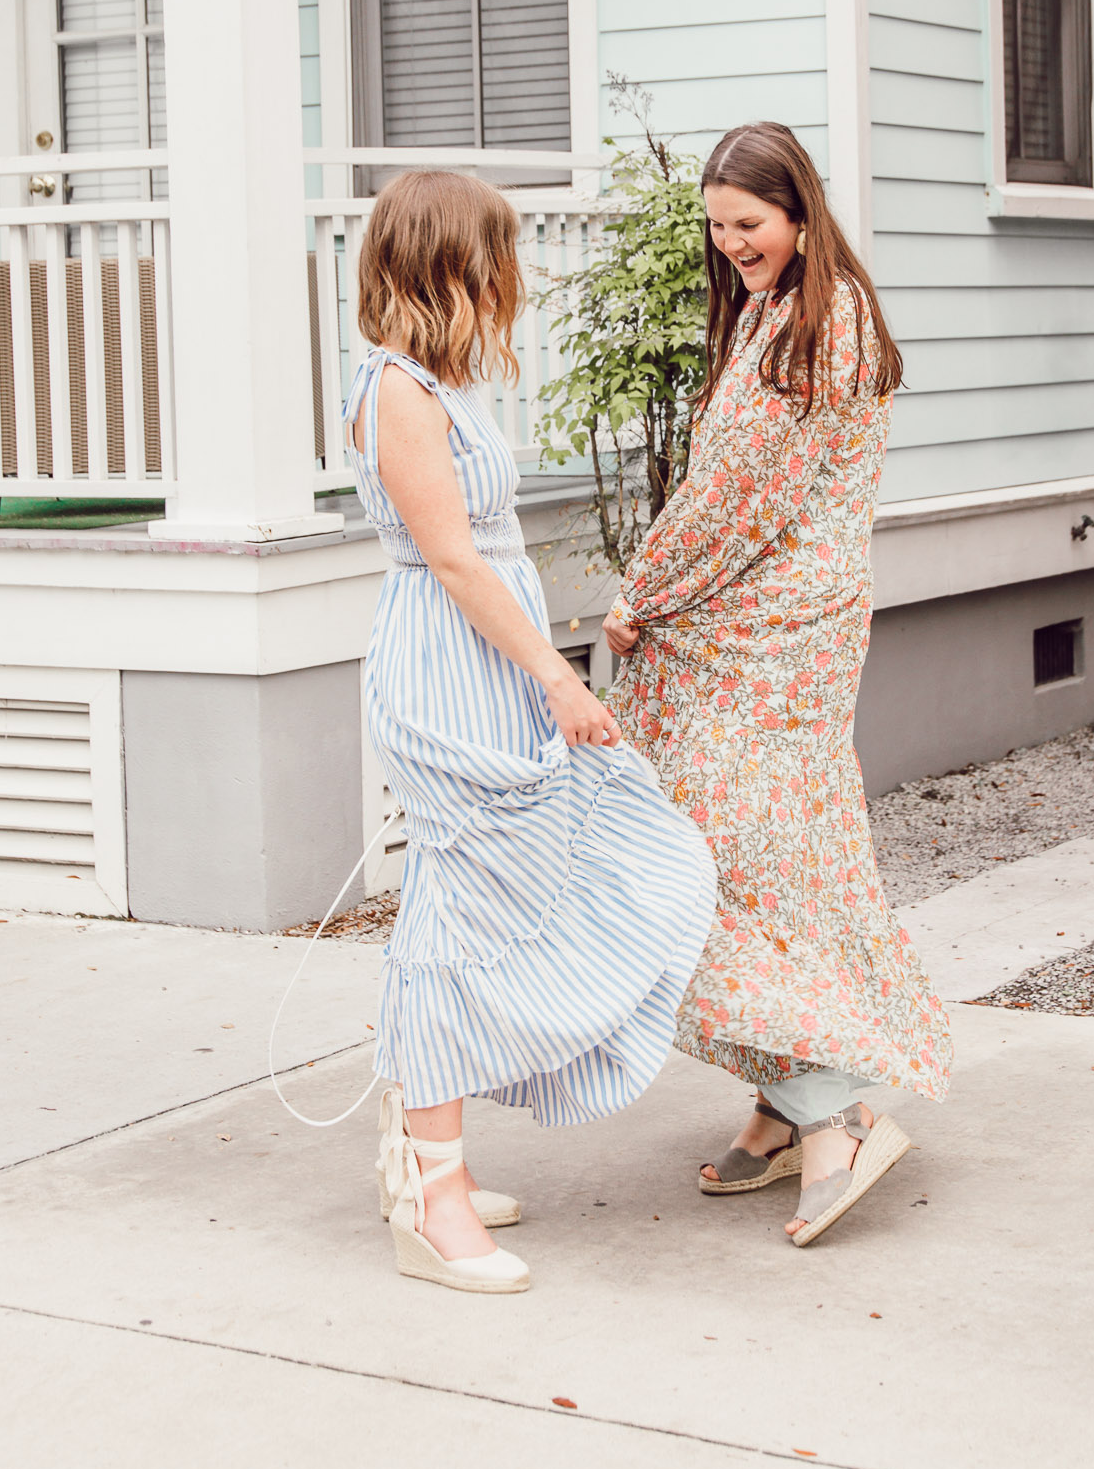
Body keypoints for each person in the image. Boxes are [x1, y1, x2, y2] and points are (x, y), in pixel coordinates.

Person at [346, 170, 717, 1295]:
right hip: (449, 672)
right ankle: (433, 1196)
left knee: (469, 903)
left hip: (485, 666)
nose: (510, 274)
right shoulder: (396, 388)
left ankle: (419, 1162)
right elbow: (454, 560)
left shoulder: (438, 383)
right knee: (455, 917)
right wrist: (557, 676)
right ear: (450, 261)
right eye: (495, 253)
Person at [602, 123, 952, 1247]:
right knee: (770, 858)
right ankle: (778, 1106)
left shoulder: (819, 323)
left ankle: (829, 1109)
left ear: (797, 210)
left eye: (745, 223)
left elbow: (731, 502)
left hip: (768, 636)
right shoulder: (785, 308)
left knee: (714, 864)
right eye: (715, 225)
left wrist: (641, 592)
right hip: (775, 629)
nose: (729, 242)